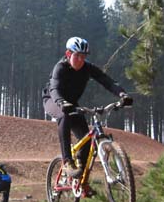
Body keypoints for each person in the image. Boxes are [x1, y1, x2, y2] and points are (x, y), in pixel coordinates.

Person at [42, 36, 133, 179]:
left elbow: (107, 81)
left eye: (83, 57)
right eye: (77, 56)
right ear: (68, 54)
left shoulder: (87, 67)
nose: (80, 60)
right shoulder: (60, 68)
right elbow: (54, 88)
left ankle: (81, 181)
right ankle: (67, 161)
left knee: (87, 140)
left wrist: (122, 94)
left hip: (71, 104)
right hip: (53, 100)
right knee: (64, 116)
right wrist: (61, 102)